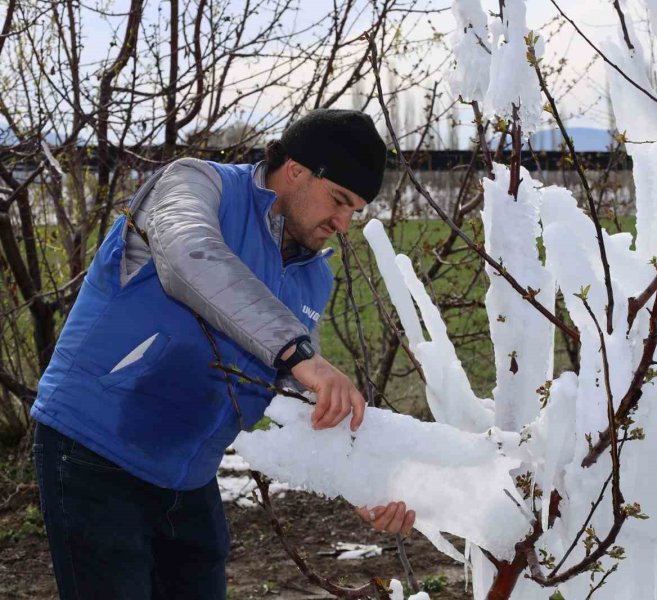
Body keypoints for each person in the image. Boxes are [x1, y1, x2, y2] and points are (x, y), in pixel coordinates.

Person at [30, 109, 415, 599]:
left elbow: (297, 397)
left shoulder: (314, 276)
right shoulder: (196, 184)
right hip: (93, 449)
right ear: (296, 169)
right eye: (339, 200)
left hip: (188, 475)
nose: (343, 223)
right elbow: (188, 253)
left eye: (355, 211)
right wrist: (300, 353)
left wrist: (365, 481)